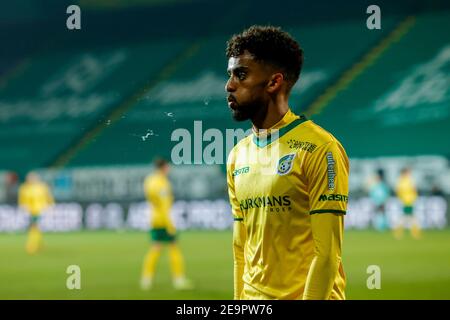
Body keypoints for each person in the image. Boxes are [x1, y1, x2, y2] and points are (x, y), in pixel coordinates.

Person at [225, 25, 349, 300]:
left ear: (274, 82)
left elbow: (327, 254)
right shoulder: (237, 156)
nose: (229, 85)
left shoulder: (320, 148)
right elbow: (240, 247)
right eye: (230, 74)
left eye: (241, 74)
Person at [140, 158, 194, 290]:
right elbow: (164, 205)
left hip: (154, 218)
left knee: (156, 247)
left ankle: (146, 278)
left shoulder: (149, 180)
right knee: (173, 247)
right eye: (168, 166)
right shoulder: (162, 183)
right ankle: (178, 279)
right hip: (163, 220)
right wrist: (170, 224)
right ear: (164, 167)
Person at [18, 171, 54, 254]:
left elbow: (48, 197)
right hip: (30, 211)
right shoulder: (24, 188)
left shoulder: (42, 187)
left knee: (34, 227)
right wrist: (23, 207)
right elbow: (22, 199)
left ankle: (31, 245)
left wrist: (50, 205)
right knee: (36, 227)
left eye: (33, 178)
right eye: (30, 178)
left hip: (41, 210)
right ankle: (40, 244)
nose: (31, 179)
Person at [394, 167, 421, 239]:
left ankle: (399, 232)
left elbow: (398, 191)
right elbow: (414, 190)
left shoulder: (401, 181)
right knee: (409, 217)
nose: (409, 174)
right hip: (407, 201)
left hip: (407, 201)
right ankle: (414, 233)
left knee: (407, 217)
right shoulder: (406, 181)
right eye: (408, 172)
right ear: (405, 173)